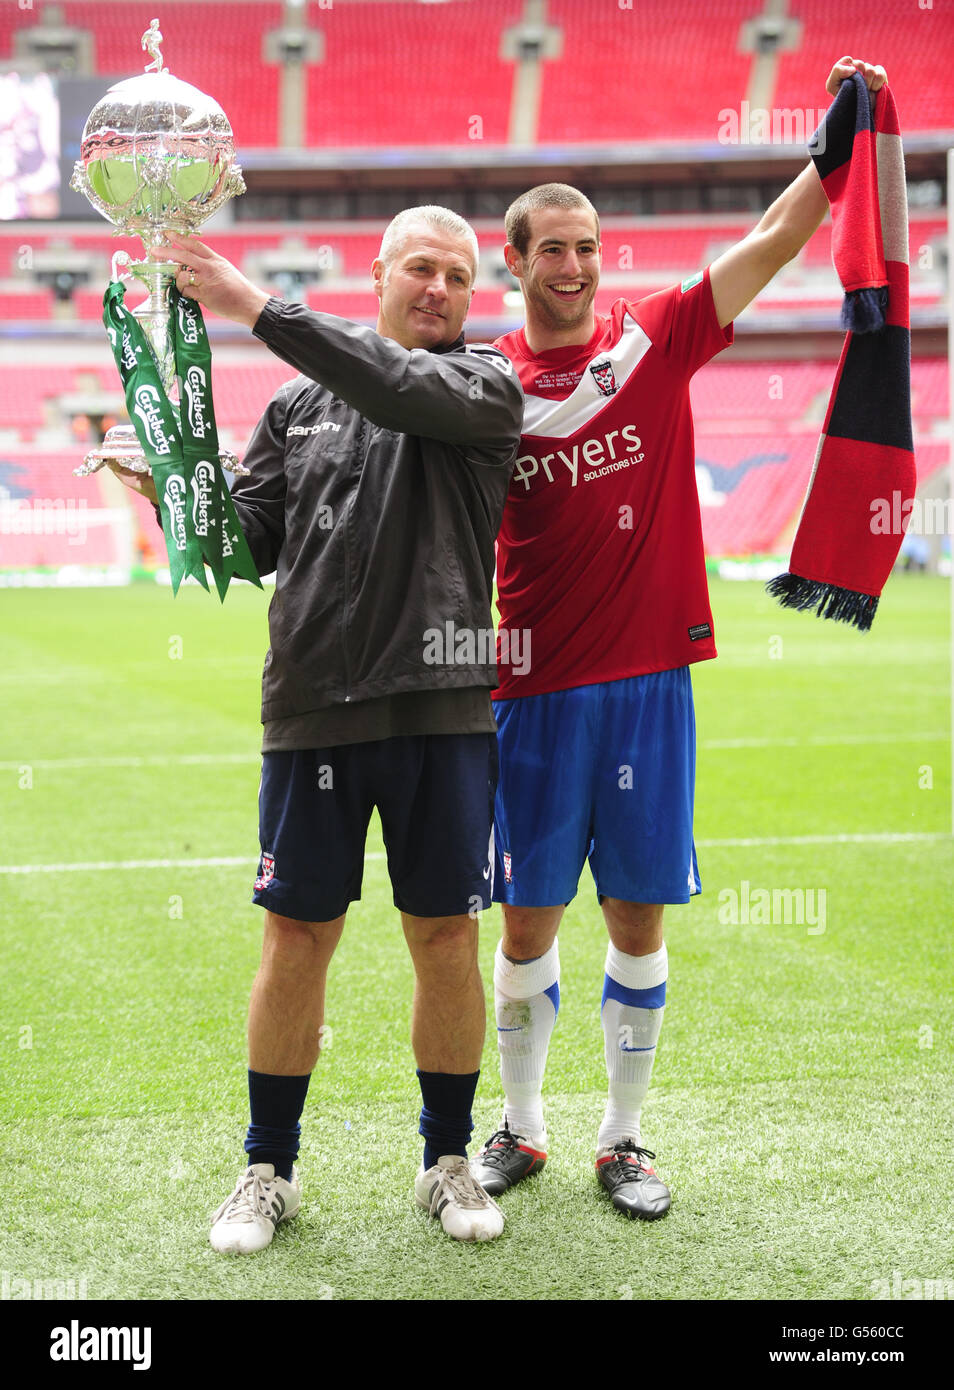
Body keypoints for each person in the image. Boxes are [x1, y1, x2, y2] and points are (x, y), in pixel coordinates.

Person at [470, 58, 887, 1220]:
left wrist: (833, 149)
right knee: (525, 921)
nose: (572, 263)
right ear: (516, 261)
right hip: (532, 685)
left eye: (587, 245)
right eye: (550, 247)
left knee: (639, 914)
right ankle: (524, 1124)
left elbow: (770, 239)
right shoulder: (482, 386)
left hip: (651, 681)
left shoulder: (652, 340)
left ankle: (623, 1137)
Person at [110, 206, 524, 1249]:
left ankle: (448, 1160)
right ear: (379, 273)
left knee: (445, 937)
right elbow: (249, 544)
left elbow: (387, 381)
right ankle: (268, 1168)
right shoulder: (297, 408)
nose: (439, 288)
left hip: (443, 710)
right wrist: (172, 488)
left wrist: (250, 302)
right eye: (421, 268)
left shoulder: (481, 389)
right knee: (296, 939)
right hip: (312, 710)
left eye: (459, 276)